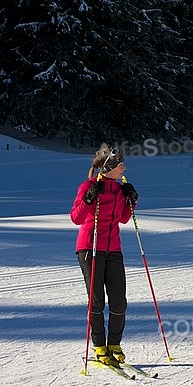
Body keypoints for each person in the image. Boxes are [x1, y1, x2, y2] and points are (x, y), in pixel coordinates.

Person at [70, 145, 138, 366]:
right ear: (108, 167)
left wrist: (131, 200)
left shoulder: (119, 189)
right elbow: (76, 217)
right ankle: (99, 346)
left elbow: (124, 219)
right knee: (97, 300)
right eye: (120, 164)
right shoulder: (88, 186)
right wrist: (89, 198)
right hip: (90, 248)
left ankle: (114, 344)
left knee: (119, 301)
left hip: (114, 249)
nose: (124, 168)